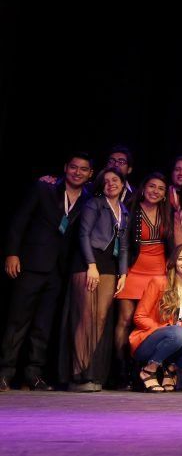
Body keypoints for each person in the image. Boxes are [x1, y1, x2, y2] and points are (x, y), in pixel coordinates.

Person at [1, 152, 93, 391]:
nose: (77, 172)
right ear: (65, 167)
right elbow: (19, 221)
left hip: (59, 270)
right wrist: (12, 253)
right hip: (31, 264)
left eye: (83, 169)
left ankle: (34, 374)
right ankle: (5, 372)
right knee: (17, 320)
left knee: (43, 324)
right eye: (73, 167)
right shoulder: (45, 188)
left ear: (90, 174)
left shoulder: (88, 198)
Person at [67, 167, 129, 392]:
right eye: (106, 180)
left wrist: (123, 273)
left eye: (115, 180)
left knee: (101, 318)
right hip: (89, 261)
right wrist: (91, 265)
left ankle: (89, 369)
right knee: (86, 317)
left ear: (123, 183)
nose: (111, 183)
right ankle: (77, 372)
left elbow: (124, 246)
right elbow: (83, 234)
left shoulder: (124, 210)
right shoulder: (94, 204)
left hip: (110, 265)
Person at [115, 172, 174, 390]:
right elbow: (124, 244)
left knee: (152, 322)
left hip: (158, 272)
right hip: (134, 270)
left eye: (160, 188)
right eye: (151, 186)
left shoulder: (168, 213)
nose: (155, 191)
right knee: (125, 320)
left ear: (165, 194)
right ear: (143, 188)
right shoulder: (130, 208)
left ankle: (145, 371)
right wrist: (123, 272)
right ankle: (122, 373)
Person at [129, 244, 182, 392]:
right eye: (181, 259)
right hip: (148, 341)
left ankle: (170, 370)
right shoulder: (159, 282)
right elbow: (139, 317)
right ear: (174, 262)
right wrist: (166, 329)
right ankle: (149, 370)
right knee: (178, 332)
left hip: (173, 342)